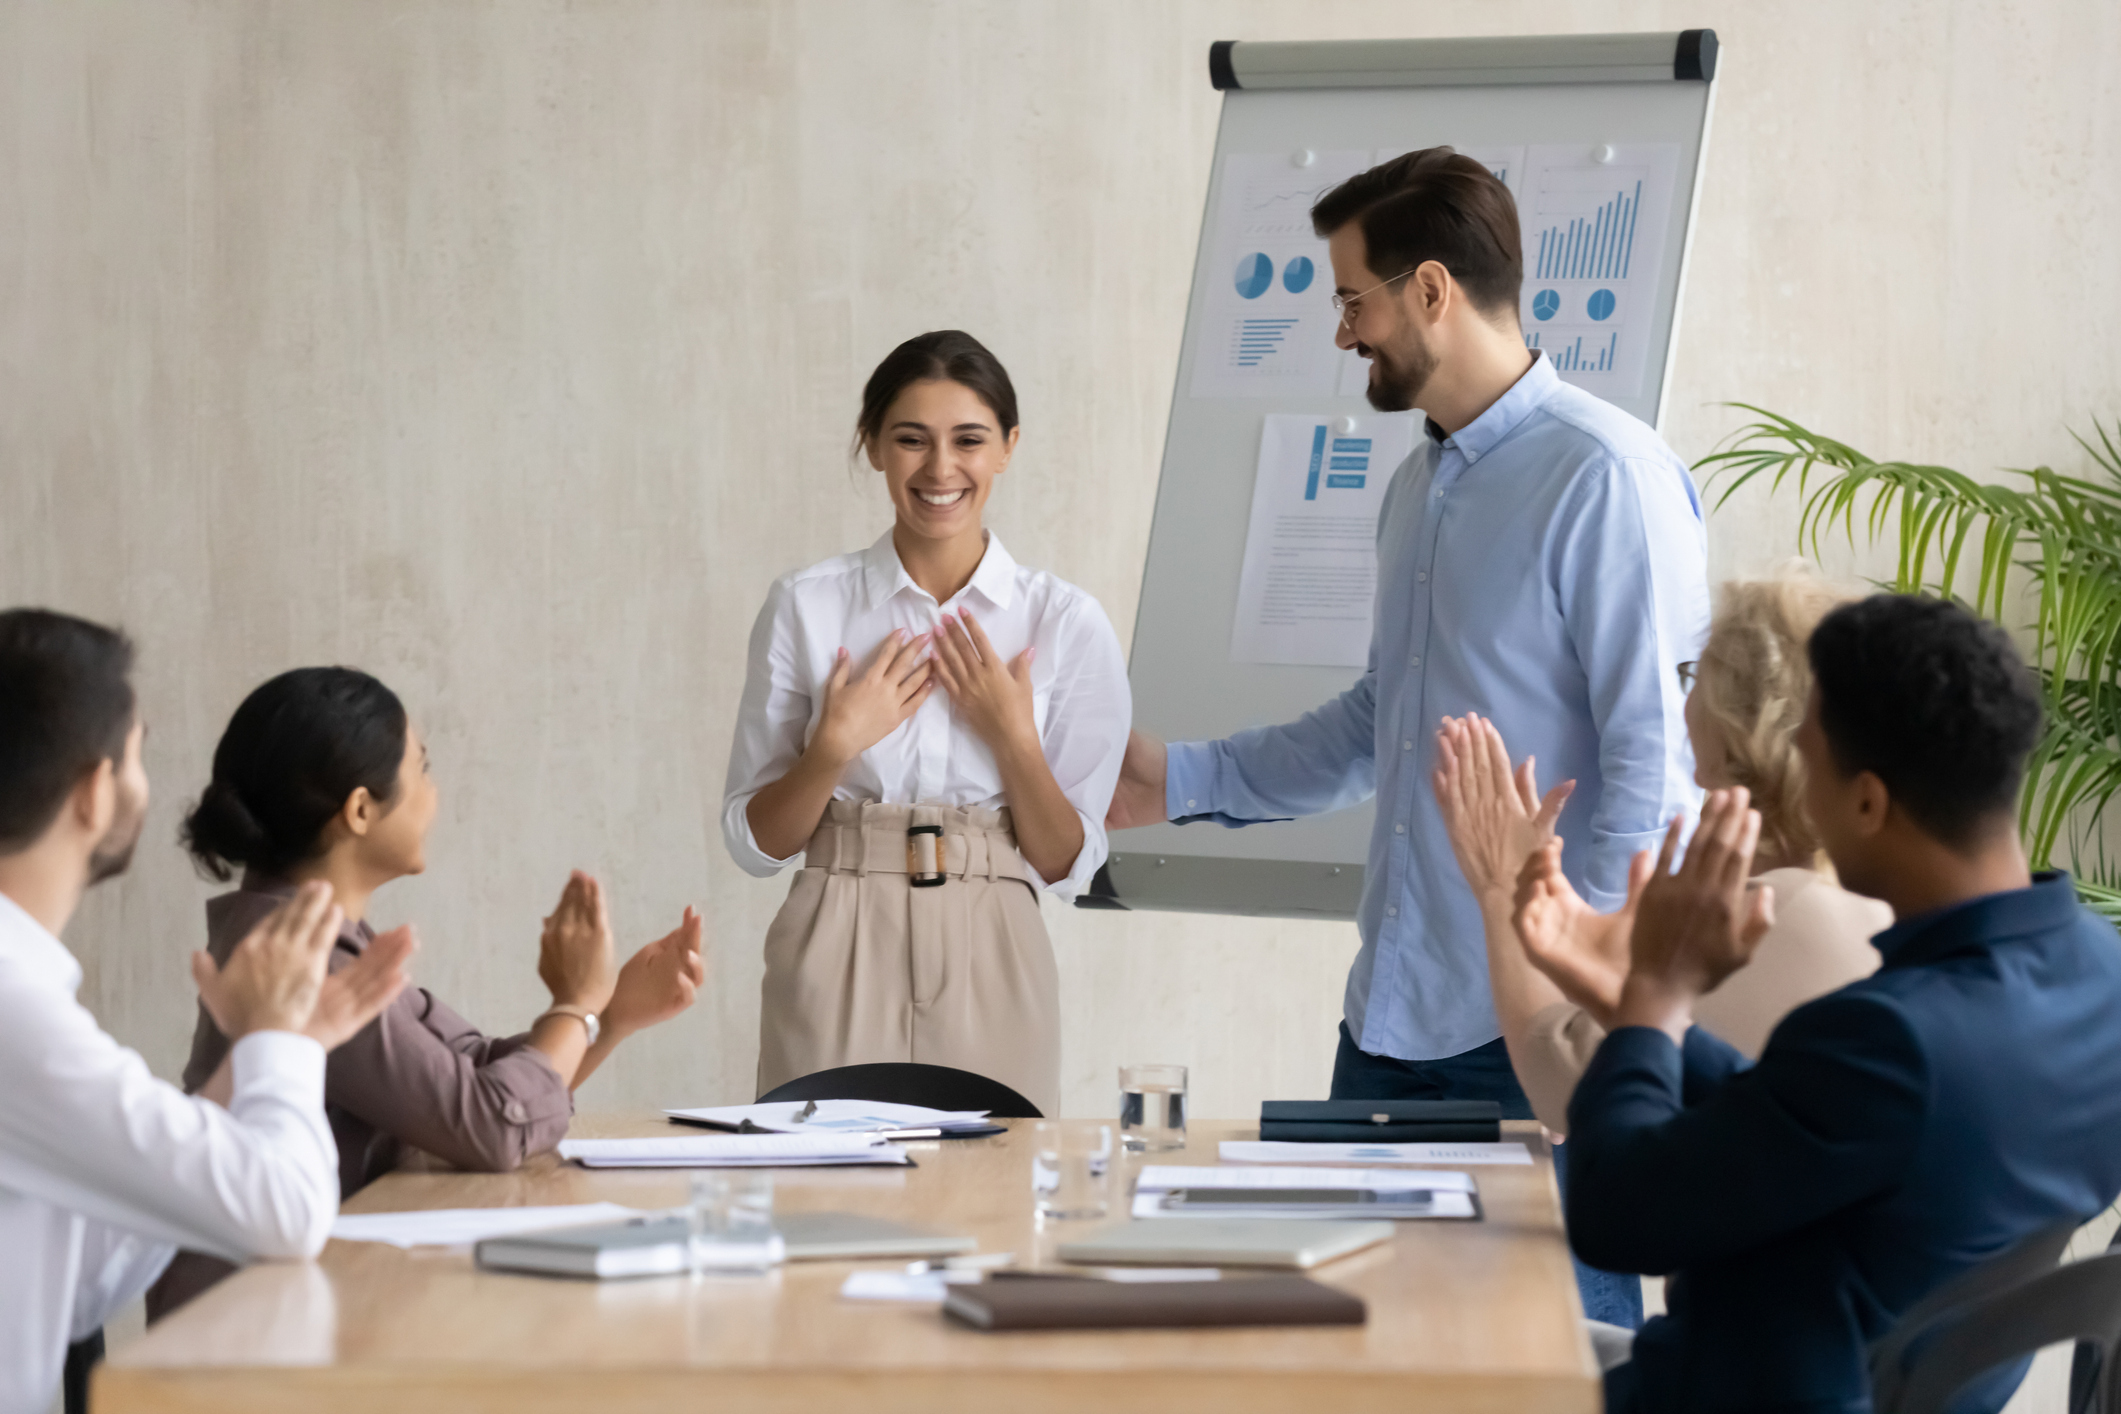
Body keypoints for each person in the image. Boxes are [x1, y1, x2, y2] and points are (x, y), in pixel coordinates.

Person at [1104, 147, 1707, 1322]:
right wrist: (1173, 778)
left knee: (1551, 1367)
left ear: (1431, 290)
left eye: (1351, 299)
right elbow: (1382, 722)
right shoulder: (1417, 490)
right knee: (1365, 1352)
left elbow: (1654, 771)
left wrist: (1585, 1003)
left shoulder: (1606, 478)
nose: (1342, 333)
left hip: (1535, 1028)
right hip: (1388, 1017)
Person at [1526, 594, 2121, 1413]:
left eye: (1807, 759)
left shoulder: (1889, 1038)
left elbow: (1611, 1216)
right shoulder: (2100, 977)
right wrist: (1626, 999)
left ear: (1868, 802)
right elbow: (1819, 1122)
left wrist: (1658, 996)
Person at [150, 666, 704, 1317]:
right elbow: (493, 1122)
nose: (435, 794)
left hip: (304, 1305)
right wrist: (576, 1006)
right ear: (360, 809)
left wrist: (606, 1016)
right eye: (424, 767)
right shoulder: (295, 959)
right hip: (244, 1332)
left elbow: (471, 1073)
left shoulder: (313, 934)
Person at [0, 609, 408, 1414]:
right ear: (94, 791)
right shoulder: (13, 1011)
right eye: (139, 752)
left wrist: (257, 1060)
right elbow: (287, 1217)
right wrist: (277, 1044)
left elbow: (82, 1288)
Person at [722, 330, 1130, 1116]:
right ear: (874, 447)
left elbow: (1066, 864)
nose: (940, 469)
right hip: (835, 923)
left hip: (995, 935)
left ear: (1008, 447)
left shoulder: (1067, 621)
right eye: (910, 440)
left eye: (969, 440)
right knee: (822, 1203)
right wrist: (833, 746)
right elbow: (754, 842)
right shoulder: (806, 604)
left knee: (996, 1207)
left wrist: (1012, 737)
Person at [1431, 570, 1890, 1133]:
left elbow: (1567, 1082)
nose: (1685, 696)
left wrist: (1501, 884)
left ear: (1731, 721)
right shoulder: (1859, 890)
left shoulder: (1778, 912)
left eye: (1694, 674)